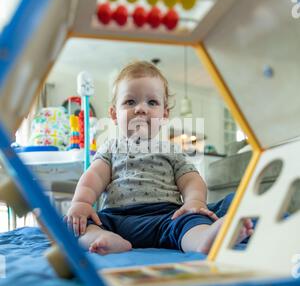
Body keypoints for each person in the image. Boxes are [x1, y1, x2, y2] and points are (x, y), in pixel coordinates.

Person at [65, 61, 253, 255]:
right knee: (78, 224)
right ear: (114, 114)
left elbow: (191, 180)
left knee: (191, 220)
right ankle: (103, 240)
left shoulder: (171, 149)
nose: (141, 109)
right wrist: (82, 203)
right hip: (117, 219)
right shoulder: (111, 147)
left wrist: (194, 202)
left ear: (164, 115)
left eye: (152, 102)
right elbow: (93, 177)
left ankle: (203, 239)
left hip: (167, 217)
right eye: (130, 102)